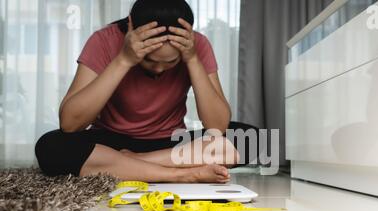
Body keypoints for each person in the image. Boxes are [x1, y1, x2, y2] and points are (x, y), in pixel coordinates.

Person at [35, 0, 258, 183]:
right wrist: (124, 60)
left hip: (168, 143)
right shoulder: (104, 40)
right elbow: (70, 124)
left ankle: (134, 163)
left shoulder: (197, 45)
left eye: (170, 62)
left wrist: (191, 59)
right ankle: (180, 174)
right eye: (149, 61)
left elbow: (217, 126)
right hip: (112, 141)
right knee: (51, 147)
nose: (159, 69)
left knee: (252, 139)